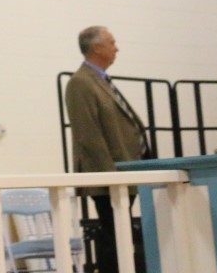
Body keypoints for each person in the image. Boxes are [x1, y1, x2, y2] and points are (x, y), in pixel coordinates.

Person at [65, 25, 150, 273]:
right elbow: (88, 135)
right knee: (114, 234)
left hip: (124, 170)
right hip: (109, 174)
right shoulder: (80, 82)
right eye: (112, 43)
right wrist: (111, 177)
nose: (117, 48)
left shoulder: (100, 80)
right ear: (97, 47)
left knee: (118, 233)